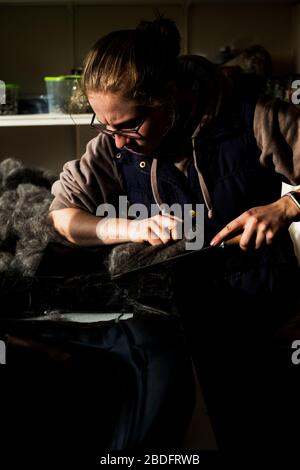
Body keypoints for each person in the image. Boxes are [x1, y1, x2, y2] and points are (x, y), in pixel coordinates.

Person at [49, 17, 300, 452]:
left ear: (169, 94)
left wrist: (287, 205)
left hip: (267, 318)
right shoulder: (113, 142)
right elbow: (63, 215)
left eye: (129, 125)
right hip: (185, 327)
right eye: (104, 125)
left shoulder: (252, 115)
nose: (118, 141)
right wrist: (127, 226)